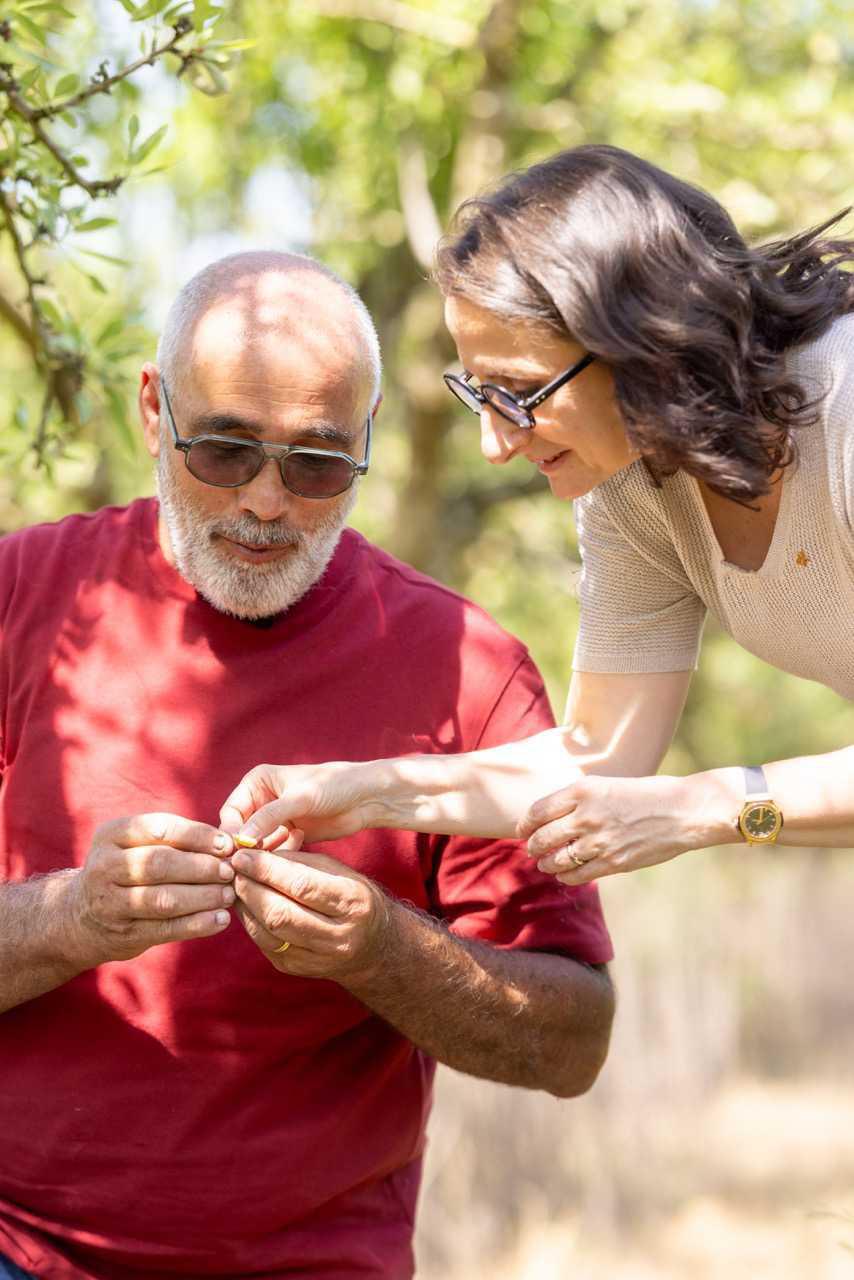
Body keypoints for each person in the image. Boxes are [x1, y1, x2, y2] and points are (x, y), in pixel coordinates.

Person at [0, 251, 615, 1280]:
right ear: (153, 412)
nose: (267, 502)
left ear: (367, 437)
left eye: (318, 463)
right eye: (223, 450)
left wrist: (380, 948)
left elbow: (571, 1045)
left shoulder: (467, 668)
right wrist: (71, 917)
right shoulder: (22, 597)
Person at [218, 145, 854, 889]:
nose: (495, 445)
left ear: (645, 342)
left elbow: (680, 800)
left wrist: (707, 808)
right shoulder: (629, 482)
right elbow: (599, 754)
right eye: (479, 393)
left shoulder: (844, 399)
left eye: (519, 392)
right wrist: (364, 792)